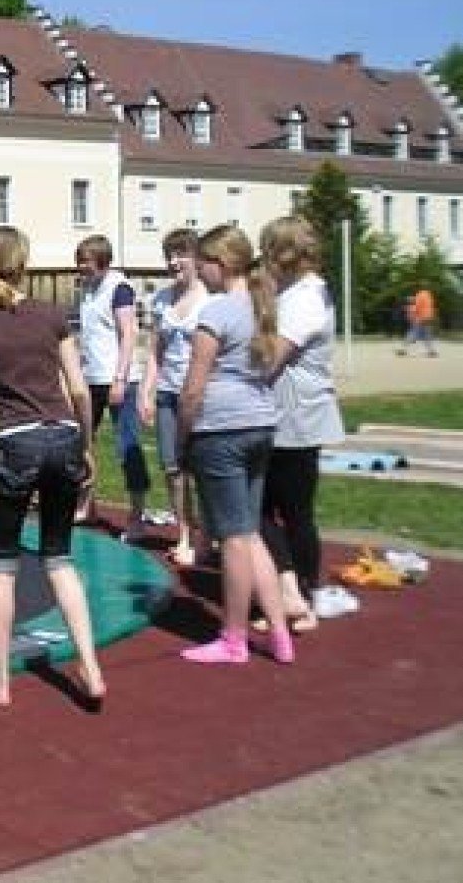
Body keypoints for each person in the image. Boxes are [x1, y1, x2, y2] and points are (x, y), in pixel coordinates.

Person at [0, 225, 104, 710]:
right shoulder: (52, 316)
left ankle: (3, 680)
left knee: (3, 565)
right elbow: (77, 389)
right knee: (59, 559)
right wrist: (85, 445)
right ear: (23, 264)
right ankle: (89, 665)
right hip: (64, 436)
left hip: (17, 443)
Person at [177, 224, 292, 665]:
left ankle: (234, 637)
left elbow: (193, 388)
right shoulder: (263, 308)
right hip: (260, 426)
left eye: (202, 262)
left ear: (219, 264)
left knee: (234, 539)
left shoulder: (218, 312)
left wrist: (183, 437)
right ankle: (279, 632)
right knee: (251, 532)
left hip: (221, 429)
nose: (199, 270)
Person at [257, 216, 345, 634]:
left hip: (296, 418)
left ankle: (303, 594)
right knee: (265, 509)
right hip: (280, 415)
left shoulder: (307, 297)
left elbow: (272, 356)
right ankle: (284, 591)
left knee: (291, 511)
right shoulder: (292, 292)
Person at [139, 228, 211, 567]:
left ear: (197, 258)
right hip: (168, 394)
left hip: (203, 397)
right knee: (172, 468)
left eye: (181, 254)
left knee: (205, 468)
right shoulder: (162, 300)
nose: (173, 262)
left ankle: (207, 536)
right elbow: (155, 350)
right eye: (169, 255)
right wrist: (146, 390)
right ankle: (184, 534)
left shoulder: (211, 299)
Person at [74, 234, 151, 540]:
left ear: (104, 263)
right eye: (79, 263)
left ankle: (137, 516)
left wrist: (119, 379)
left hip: (120, 380)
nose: (81, 269)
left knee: (127, 446)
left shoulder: (119, 289)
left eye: (87, 264)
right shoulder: (87, 289)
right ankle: (86, 504)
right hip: (91, 378)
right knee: (82, 443)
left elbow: (129, 334)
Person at [397, 286, 438, 357]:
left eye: (410, 298)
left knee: (413, 333)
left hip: (421, 317)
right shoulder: (428, 294)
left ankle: (403, 349)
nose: (410, 299)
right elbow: (429, 307)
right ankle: (431, 351)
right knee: (427, 335)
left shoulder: (419, 296)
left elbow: (416, 307)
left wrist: (410, 313)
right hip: (428, 317)